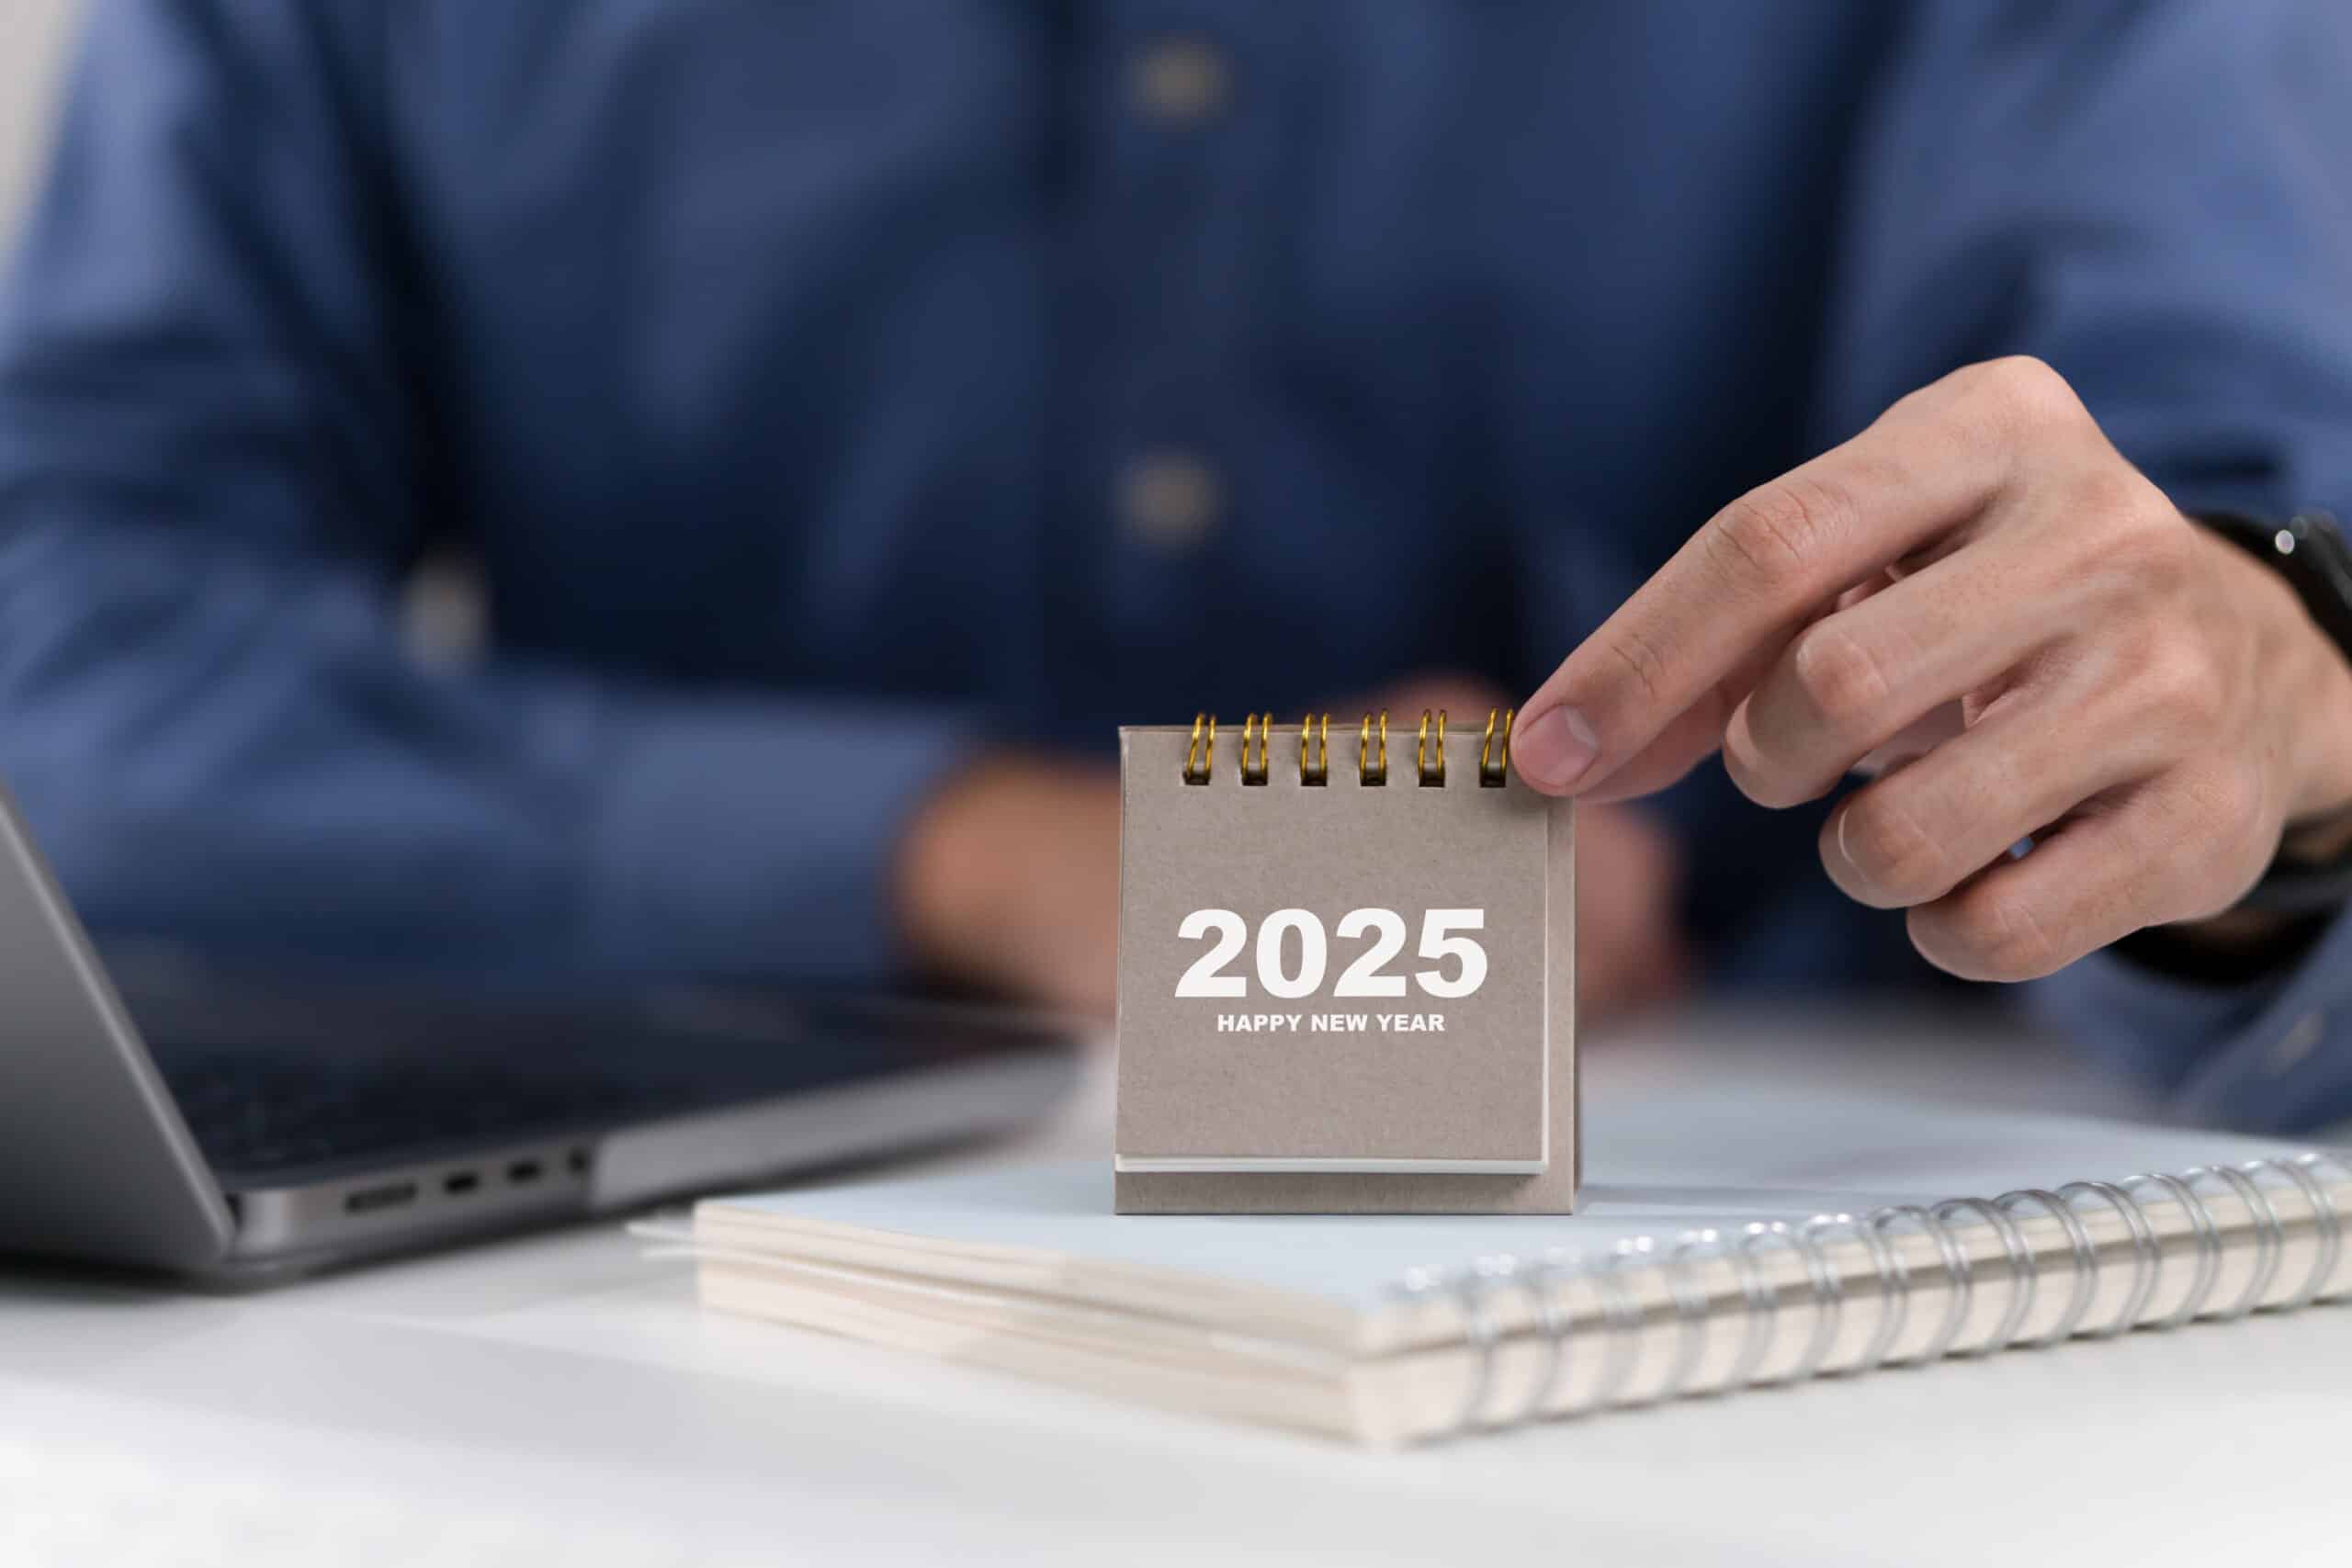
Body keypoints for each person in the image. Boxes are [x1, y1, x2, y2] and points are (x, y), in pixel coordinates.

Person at [1, 2, 2347, 1128]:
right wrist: (981, 856)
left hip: (1834, 1362)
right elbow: (68, 632)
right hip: (619, 1380)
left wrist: (2271, 713)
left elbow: (2224, 601)